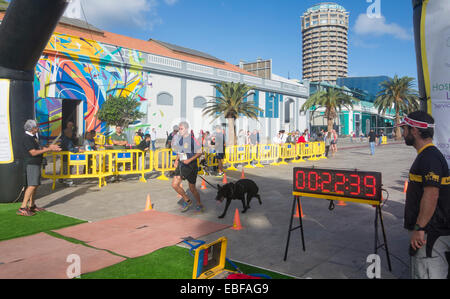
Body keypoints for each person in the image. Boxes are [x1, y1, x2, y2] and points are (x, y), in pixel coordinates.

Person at [397, 111, 450, 279]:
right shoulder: (428, 156)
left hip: (429, 235)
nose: (402, 133)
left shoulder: (429, 158)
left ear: (415, 131)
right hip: (429, 232)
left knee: (427, 273)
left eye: (405, 129)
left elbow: (432, 195)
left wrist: (420, 228)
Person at [18, 120, 61, 216]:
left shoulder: (33, 137)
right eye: (36, 127)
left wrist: (51, 147)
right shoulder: (27, 138)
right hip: (31, 164)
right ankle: (23, 207)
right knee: (32, 185)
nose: (38, 128)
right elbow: (33, 152)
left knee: (35, 185)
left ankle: (32, 205)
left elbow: (40, 148)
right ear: (32, 128)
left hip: (36, 163)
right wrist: (50, 148)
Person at [171, 121, 204, 213]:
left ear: (186, 129)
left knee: (192, 189)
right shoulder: (180, 139)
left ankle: (199, 204)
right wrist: (177, 160)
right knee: (174, 184)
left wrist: (189, 160)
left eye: (181, 129)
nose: (180, 131)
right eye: (179, 129)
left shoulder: (192, 139)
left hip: (191, 166)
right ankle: (187, 200)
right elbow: (180, 151)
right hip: (182, 165)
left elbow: (200, 152)